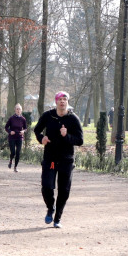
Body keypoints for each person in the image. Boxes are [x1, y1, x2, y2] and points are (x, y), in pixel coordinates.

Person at [34, 91, 84, 228]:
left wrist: (66, 135)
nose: (62, 101)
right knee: (46, 187)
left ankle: (57, 219)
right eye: (60, 99)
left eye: (64, 99)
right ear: (56, 102)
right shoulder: (48, 116)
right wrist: (41, 138)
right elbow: (37, 130)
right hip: (50, 158)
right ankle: (50, 207)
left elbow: (80, 140)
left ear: (67, 102)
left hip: (66, 160)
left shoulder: (73, 119)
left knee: (64, 190)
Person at [4, 103, 27, 171]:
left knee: (18, 152)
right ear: (15, 110)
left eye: (19, 109)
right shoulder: (11, 118)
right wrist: (10, 132)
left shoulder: (23, 119)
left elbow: (26, 128)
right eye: (17, 109)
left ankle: (15, 167)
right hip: (12, 137)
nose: (18, 110)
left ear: (21, 110)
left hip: (19, 137)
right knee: (13, 152)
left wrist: (23, 131)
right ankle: (11, 160)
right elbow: (6, 127)